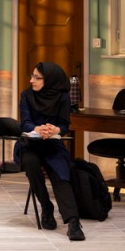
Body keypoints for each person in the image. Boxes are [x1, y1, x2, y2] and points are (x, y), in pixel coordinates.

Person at [16, 61, 84, 241]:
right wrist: (37, 129)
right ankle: (46, 207)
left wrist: (55, 130)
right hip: (30, 144)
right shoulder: (26, 95)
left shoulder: (63, 98)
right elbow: (25, 122)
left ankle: (73, 222)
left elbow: (64, 124)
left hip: (52, 144)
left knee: (61, 172)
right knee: (31, 164)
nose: (32, 80)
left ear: (50, 80)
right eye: (32, 76)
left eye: (37, 78)